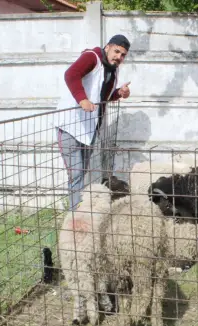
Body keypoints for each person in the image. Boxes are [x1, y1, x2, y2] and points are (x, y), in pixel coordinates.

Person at [55, 34, 132, 210]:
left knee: (81, 172)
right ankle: (75, 217)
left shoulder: (112, 69)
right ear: (108, 47)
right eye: (117, 51)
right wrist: (82, 99)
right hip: (70, 125)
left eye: (123, 55)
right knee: (76, 174)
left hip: (89, 128)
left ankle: (79, 211)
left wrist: (120, 93)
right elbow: (71, 74)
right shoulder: (92, 57)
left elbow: (102, 96)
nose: (119, 57)